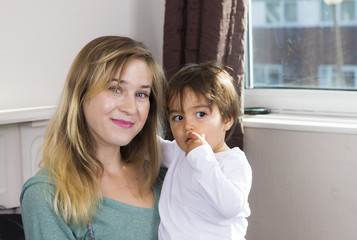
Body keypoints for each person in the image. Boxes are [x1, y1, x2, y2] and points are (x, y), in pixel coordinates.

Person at [20, 36, 167, 240]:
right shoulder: (47, 195)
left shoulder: (165, 177)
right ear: (81, 95)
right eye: (116, 89)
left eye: (141, 94)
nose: (131, 108)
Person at [158, 62, 252, 239]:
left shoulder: (234, 162)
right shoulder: (179, 153)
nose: (187, 126)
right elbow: (151, 148)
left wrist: (201, 157)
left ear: (227, 119)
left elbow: (230, 207)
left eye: (200, 114)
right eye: (178, 117)